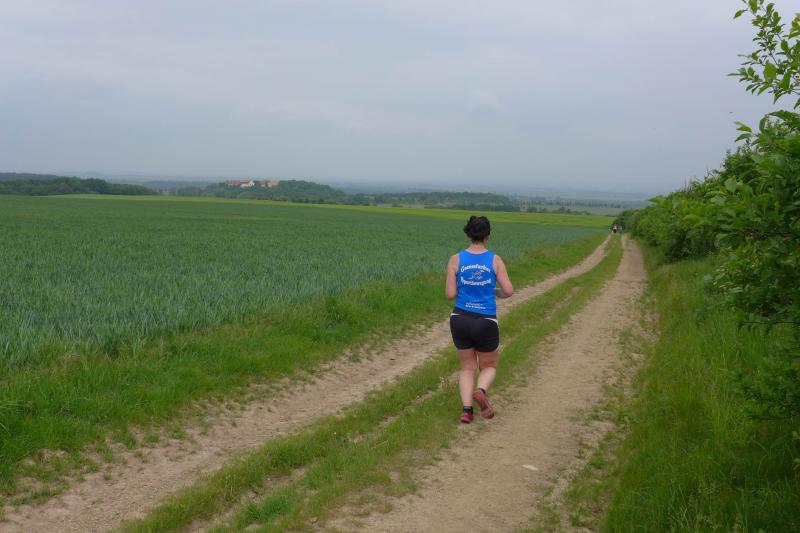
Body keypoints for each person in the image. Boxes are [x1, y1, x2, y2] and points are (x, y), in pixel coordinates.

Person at [445, 216, 514, 424]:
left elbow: (450, 294)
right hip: (485, 320)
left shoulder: (455, 259)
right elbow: (508, 291)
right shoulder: (495, 260)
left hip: (460, 318)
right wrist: (493, 292)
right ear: (488, 236)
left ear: (468, 233)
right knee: (489, 365)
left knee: (467, 367)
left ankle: (467, 411)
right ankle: (480, 390)